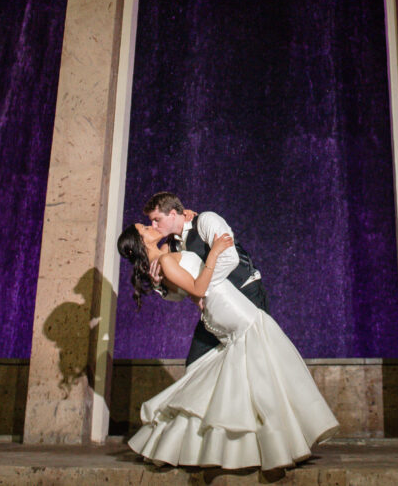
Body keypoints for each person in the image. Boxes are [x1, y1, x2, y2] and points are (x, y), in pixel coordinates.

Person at [117, 223, 338, 470]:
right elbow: (198, 289)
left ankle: (251, 443)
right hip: (225, 305)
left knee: (243, 367)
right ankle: (272, 443)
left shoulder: (166, 256)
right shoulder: (165, 263)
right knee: (256, 351)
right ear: (141, 241)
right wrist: (214, 252)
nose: (151, 226)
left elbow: (192, 291)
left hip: (221, 303)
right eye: (145, 228)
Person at [143, 191, 268, 367]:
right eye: (151, 222)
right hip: (215, 307)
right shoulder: (172, 246)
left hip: (246, 293)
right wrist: (159, 285)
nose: (154, 225)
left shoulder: (206, 220)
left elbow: (230, 259)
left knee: (254, 363)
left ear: (172, 214)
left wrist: (200, 289)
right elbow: (180, 294)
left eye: (157, 219)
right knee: (196, 364)